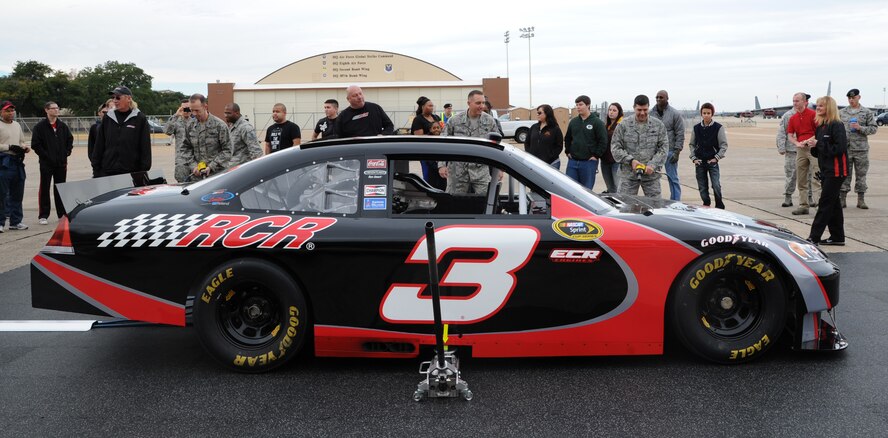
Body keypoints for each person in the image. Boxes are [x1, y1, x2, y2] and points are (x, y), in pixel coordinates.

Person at [439, 90, 499, 194]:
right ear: (468, 103)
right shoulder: (455, 120)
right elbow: (443, 143)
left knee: (485, 202)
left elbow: (497, 146)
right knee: (454, 203)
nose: (482, 106)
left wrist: (499, 169)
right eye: (478, 103)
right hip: (458, 172)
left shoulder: (489, 121)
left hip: (480, 170)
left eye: (483, 103)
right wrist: (442, 165)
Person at [807, 96, 849, 246]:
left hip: (837, 171)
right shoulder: (821, 126)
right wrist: (813, 145)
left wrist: (819, 143)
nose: (817, 108)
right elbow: (821, 151)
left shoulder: (836, 125)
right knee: (834, 204)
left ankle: (814, 238)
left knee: (824, 203)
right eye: (817, 105)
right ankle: (838, 237)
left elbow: (839, 149)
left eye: (821, 106)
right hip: (826, 171)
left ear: (829, 108)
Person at [610, 94, 669, 198]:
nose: (642, 113)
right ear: (634, 108)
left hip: (651, 176)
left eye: (645, 109)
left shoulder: (658, 125)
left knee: (655, 207)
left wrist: (653, 165)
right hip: (628, 175)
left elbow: (664, 148)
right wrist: (630, 160)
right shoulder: (624, 125)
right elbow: (615, 148)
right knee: (625, 206)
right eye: (639, 110)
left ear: (649, 107)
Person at [91, 86, 151, 178]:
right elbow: (99, 145)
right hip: (107, 171)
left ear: (129, 98)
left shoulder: (140, 119)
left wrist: (142, 171)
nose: (115, 100)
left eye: (118, 97)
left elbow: (145, 147)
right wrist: (96, 169)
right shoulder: (108, 118)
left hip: (132, 172)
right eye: (113, 98)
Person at [30, 101, 73, 223]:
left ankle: (61, 214)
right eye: (53, 108)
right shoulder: (40, 127)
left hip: (61, 163)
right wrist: (46, 156)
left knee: (60, 188)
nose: (56, 110)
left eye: (57, 108)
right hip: (46, 163)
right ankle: (43, 215)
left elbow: (69, 140)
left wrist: (66, 153)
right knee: (45, 188)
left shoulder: (62, 126)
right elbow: (36, 144)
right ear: (46, 110)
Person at [839, 88, 878, 209]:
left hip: (861, 149)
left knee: (861, 175)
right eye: (849, 98)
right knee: (845, 174)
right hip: (846, 149)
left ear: (859, 97)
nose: (851, 100)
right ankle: (842, 199)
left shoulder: (866, 112)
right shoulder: (842, 112)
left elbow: (873, 128)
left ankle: (861, 200)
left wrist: (860, 127)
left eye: (853, 98)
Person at [180, 93, 232, 180]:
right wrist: (193, 166)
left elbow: (228, 150)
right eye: (192, 110)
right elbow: (185, 148)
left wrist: (212, 166)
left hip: (217, 175)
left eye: (197, 110)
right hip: (196, 177)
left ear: (205, 107)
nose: (194, 113)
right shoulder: (190, 126)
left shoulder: (219, 125)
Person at [688, 103, 728, 209]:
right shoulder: (696, 128)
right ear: (701, 114)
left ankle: (719, 205)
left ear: (712, 114)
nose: (706, 115)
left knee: (716, 185)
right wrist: (694, 158)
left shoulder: (718, 127)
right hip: (700, 162)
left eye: (708, 113)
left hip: (712, 162)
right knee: (702, 187)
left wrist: (716, 158)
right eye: (704, 113)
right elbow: (692, 144)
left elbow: (723, 145)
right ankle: (706, 204)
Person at [564, 95, 608, 190]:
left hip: (588, 163)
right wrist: (568, 151)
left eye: (580, 104)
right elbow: (567, 138)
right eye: (577, 105)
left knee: (586, 191)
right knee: (569, 189)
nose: (578, 107)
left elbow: (603, 141)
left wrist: (596, 155)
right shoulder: (574, 122)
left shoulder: (597, 122)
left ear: (588, 105)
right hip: (573, 162)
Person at [786, 92, 820, 215]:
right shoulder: (793, 118)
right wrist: (796, 143)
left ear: (805, 102)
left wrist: (810, 140)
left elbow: (820, 132)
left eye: (797, 101)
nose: (795, 103)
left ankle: (818, 204)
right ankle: (803, 205)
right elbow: (790, 135)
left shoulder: (813, 115)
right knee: (801, 178)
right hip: (801, 149)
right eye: (793, 101)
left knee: (816, 178)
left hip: (813, 149)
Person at [0, 100, 31, 232]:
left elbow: (21, 141)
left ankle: (16, 221)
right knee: (2, 194)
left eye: (12, 110)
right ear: (1, 111)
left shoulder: (17, 125)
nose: (11, 113)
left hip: (16, 162)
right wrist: (9, 147)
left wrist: (24, 147)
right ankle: (1, 222)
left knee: (17, 193)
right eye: (8, 110)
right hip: (3, 162)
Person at [650, 90, 685, 201]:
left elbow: (680, 133)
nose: (659, 99)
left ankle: (675, 201)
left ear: (667, 98)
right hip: (655, 153)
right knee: (653, 178)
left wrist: (677, 151)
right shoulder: (651, 114)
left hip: (670, 152)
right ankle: (655, 200)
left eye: (661, 97)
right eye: (657, 97)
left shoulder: (675, 114)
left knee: (672, 178)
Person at [411, 96, 446, 190]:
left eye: (432, 106)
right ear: (423, 107)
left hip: (439, 150)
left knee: (441, 175)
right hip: (426, 152)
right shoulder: (418, 120)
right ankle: (428, 192)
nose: (432, 107)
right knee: (428, 175)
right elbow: (419, 138)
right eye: (429, 106)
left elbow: (443, 130)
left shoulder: (436, 117)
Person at [776, 106, 802, 207]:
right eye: (794, 101)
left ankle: (809, 197)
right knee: (791, 175)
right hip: (792, 150)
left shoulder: (810, 114)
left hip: (806, 149)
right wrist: (781, 147)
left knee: (809, 175)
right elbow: (782, 132)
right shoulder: (788, 115)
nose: (795, 103)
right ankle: (788, 196)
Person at [524, 104, 564, 170]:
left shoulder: (555, 128)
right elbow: (527, 142)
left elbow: (559, 146)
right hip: (534, 163)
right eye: (537, 113)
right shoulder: (534, 127)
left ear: (547, 113)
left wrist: (550, 156)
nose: (537, 114)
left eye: (539, 113)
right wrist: (530, 154)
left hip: (551, 163)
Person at [225, 103, 262, 167]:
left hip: (242, 169)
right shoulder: (232, 126)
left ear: (237, 113)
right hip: (232, 168)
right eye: (225, 113)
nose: (225, 115)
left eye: (228, 113)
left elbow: (256, 153)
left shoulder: (246, 128)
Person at [166, 99, 194, 181]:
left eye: (188, 108)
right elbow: (167, 131)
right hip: (181, 159)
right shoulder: (176, 121)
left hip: (194, 159)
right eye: (184, 108)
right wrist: (176, 115)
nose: (186, 111)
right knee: (182, 184)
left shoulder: (196, 121)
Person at [602, 103, 624, 193]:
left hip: (616, 162)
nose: (611, 112)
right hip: (605, 161)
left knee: (618, 187)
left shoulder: (622, 125)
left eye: (614, 110)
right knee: (610, 188)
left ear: (619, 112)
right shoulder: (606, 126)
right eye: (610, 110)